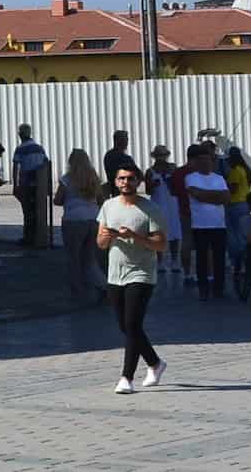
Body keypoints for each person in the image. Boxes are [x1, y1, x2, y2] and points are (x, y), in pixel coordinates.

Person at [96, 164, 167, 393]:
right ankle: (155, 363)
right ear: (116, 182)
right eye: (122, 178)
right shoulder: (108, 206)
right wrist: (106, 237)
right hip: (115, 274)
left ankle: (126, 377)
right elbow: (100, 243)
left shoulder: (150, 208)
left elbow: (161, 244)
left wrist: (134, 236)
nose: (126, 182)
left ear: (138, 182)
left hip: (142, 273)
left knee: (132, 324)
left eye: (131, 179)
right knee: (125, 326)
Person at [53, 149, 104, 302]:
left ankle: (77, 289)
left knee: (73, 257)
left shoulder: (67, 179)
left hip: (73, 220)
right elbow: (101, 199)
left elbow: (57, 200)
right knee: (89, 258)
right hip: (93, 219)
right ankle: (102, 285)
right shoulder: (93, 178)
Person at [183, 143, 231, 300]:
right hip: (200, 224)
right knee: (201, 258)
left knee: (219, 258)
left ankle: (219, 288)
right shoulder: (190, 177)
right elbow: (196, 195)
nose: (206, 163)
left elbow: (225, 198)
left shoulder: (219, 178)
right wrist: (215, 196)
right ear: (197, 162)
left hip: (219, 224)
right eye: (202, 160)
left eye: (209, 160)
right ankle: (203, 288)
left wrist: (207, 195)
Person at [144, 146, 184, 283]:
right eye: (159, 155)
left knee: (174, 232)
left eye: (163, 155)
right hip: (158, 203)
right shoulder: (150, 171)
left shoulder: (173, 169)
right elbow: (148, 191)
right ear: (155, 157)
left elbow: (179, 185)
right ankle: (160, 261)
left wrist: (170, 180)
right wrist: (153, 184)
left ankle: (174, 260)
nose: (161, 158)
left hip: (172, 203)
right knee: (158, 232)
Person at [12, 124, 49, 246]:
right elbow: (45, 164)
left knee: (27, 212)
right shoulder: (40, 148)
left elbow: (16, 168)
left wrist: (15, 186)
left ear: (20, 134)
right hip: (39, 185)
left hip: (26, 184)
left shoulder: (20, 149)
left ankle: (28, 237)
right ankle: (38, 237)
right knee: (37, 211)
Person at [223, 148, 251, 275]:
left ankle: (237, 260)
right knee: (242, 233)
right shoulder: (245, 170)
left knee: (233, 235)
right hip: (245, 203)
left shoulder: (235, 171)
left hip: (235, 204)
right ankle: (245, 260)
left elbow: (233, 189)